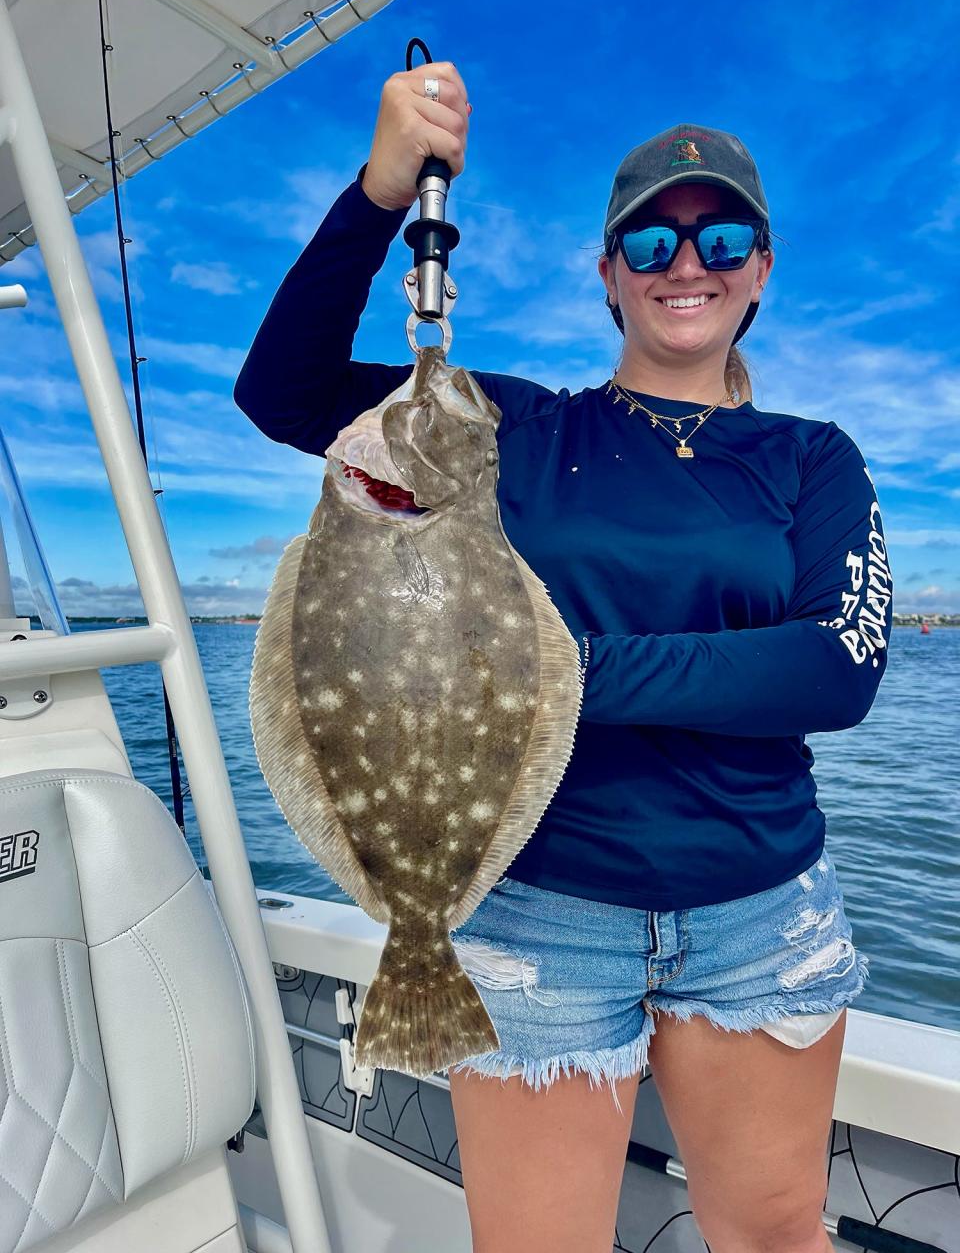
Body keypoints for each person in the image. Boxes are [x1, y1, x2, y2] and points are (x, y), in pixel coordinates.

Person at [234, 63, 892, 1253]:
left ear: (759, 271)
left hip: (759, 912)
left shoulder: (813, 458)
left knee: (777, 1235)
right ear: (608, 275)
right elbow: (281, 390)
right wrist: (383, 192)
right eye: (650, 242)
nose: (685, 262)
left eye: (721, 235)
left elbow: (833, 667)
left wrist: (557, 672)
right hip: (536, 909)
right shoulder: (517, 426)